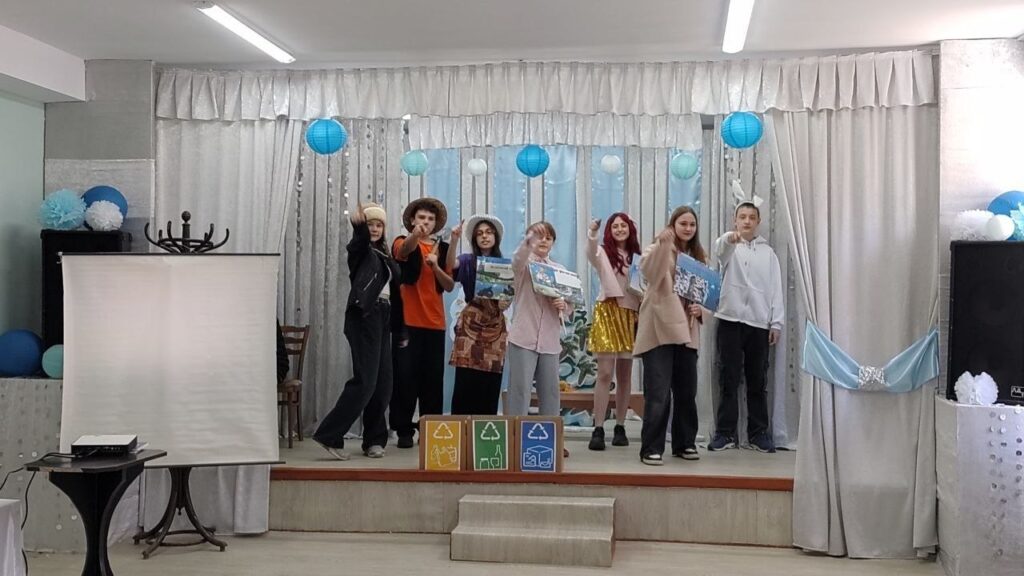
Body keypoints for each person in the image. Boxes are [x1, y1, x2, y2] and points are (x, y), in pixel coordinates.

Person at [313, 200, 403, 460]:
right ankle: (329, 434)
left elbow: (397, 291)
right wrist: (359, 226)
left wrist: (401, 330)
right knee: (365, 381)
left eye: (378, 225)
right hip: (365, 315)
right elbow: (358, 243)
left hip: (384, 316)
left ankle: (374, 440)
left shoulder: (385, 255)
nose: (374, 229)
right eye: (370, 224)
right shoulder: (361, 252)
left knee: (383, 384)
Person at [707, 202, 784, 454]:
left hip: (759, 324)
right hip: (730, 319)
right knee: (728, 378)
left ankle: (758, 433)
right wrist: (730, 239)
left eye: (752, 217)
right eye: (742, 217)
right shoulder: (731, 247)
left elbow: (776, 289)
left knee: (757, 380)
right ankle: (725, 433)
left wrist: (776, 322)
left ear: (758, 221)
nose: (747, 221)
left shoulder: (768, 254)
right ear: (735, 220)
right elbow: (720, 250)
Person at [634, 206, 706, 466]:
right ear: (673, 225)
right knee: (658, 393)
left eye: (692, 224)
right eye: (683, 223)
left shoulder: (698, 257)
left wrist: (702, 310)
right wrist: (664, 245)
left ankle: (684, 443)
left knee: (687, 391)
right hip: (659, 330)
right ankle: (651, 448)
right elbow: (650, 274)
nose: (688, 228)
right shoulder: (657, 248)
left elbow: (707, 295)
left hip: (687, 331)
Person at [389, 197, 454, 448]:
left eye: (430, 219)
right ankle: (403, 430)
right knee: (404, 378)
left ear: (436, 223)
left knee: (432, 382)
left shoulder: (443, 249)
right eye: (421, 218)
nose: (425, 222)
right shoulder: (401, 240)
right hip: (407, 322)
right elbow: (403, 251)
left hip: (435, 324)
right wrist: (415, 236)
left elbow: (449, 285)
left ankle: (431, 429)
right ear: (412, 220)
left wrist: (436, 266)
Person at [585, 213, 641, 451]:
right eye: (615, 226)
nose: (619, 229)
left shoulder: (637, 257)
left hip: (630, 314)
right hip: (607, 311)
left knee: (625, 374)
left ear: (630, 229)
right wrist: (592, 232)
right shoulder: (602, 252)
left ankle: (620, 425)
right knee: (605, 373)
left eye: (623, 226)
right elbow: (590, 252)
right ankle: (598, 427)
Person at [506, 222, 571, 428]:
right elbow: (517, 259)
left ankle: (551, 439)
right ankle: (514, 436)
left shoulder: (560, 271)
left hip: (550, 341)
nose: (543, 241)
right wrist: (528, 241)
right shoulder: (523, 266)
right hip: (523, 338)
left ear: (553, 243)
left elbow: (570, 304)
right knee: (519, 391)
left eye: (548, 238)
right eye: (539, 237)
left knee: (551, 392)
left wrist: (564, 305)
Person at [446, 214, 509, 415]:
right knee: (465, 382)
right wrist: (454, 240)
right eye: (480, 233)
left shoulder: (505, 265)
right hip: (470, 326)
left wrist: (507, 301)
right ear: (474, 238)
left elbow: (509, 294)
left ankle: (485, 430)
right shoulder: (467, 260)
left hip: (495, 327)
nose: (484, 236)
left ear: (496, 237)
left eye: (489, 232)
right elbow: (450, 265)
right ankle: (461, 429)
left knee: (490, 382)